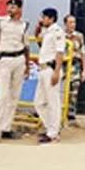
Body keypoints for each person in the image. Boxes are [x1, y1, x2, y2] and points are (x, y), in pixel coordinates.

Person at [0, 0, 30, 141]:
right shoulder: (0, 23)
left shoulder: (24, 25)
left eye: (13, 7)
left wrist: (27, 66)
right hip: (4, 59)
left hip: (19, 59)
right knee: (3, 95)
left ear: (19, 9)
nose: (10, 9)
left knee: (14, 95)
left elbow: (26, 46)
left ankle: (6, 128)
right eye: (9, 6)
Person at [34, 8, 66, 144]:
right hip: (42, 69)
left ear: (51, 19)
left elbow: (60, 52)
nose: (42, 20)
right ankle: (51, 129)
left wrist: (57, 72)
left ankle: (53, 133)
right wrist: (37, 32)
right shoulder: (47, 32)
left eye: (44, 17)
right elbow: (42, 46)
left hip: (51, 69)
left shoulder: (57, 32)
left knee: (53, 103)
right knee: (39, 102)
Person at [63, 14, 85, 122]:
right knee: (63, 89)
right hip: (63, 65)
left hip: (75, 65)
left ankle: (71, 112)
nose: (72, 25)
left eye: (74, 22)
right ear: (65, 24)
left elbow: (83, 53)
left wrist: (84, 70)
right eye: (70, 22)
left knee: (74, 89)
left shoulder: (79, 36)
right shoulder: (61, 36)